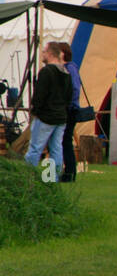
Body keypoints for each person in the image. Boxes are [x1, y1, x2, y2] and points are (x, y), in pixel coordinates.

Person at [25, 41, 73, 175]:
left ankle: (29, 178)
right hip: (60, 117)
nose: (43, 54)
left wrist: (35, 111)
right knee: (56, 149)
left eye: (44, 51)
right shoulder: (66, 72)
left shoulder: (46, 71)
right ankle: (52, 178)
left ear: (51, 54)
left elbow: (40, 95)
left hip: (46, 117)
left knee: (35, 148)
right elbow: (69, 96)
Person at [56, 42, 82, 181]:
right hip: (68, 108)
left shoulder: (70, 68)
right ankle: (68, 172)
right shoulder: (66, 68)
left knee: (65, 140)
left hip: (70, 109)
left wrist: (69, 104)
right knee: (63, 141)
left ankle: (70, 173)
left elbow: (75, 88)